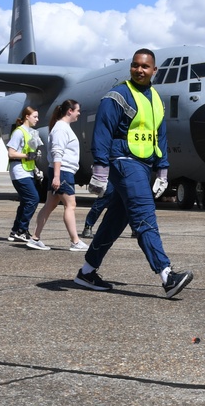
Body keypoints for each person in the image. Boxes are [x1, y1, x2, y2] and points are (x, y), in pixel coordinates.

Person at [74, 49, 193, 297]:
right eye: (135, 66)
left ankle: (87, 272)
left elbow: (159, 137)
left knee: (115, 221)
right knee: (144, 214)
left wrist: (162, 170)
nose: (140, 70)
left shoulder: (156, 100)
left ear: (154, 71)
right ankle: (166, 275)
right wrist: (99, 169)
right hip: (123, 161)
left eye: (145, 67)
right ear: (131, 67)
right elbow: (103, 131)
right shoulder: (117, 96)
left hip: (143, 165)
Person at [31, 100, 87, 251]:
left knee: (50, 204)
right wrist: (56, 176)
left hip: (60, 171)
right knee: (70, 205)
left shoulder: (62, 127)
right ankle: (75, 241)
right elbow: (57, 152)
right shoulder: (61, 129)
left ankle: (35, 238)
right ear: (70, 111)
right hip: (63, 171)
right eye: (77, 111)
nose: (79, 113)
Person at [6, 105, 44, 243]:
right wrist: (28, 155)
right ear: (27, 117)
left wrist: (34, 157)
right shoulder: (19, 132)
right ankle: (22, 230)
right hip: (19, 171)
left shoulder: (31, 132)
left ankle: (15, 231)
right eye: (35, 116)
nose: (37, 119)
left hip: (27, 171)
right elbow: (11, 153)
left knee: (25, 201)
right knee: (33, 199)